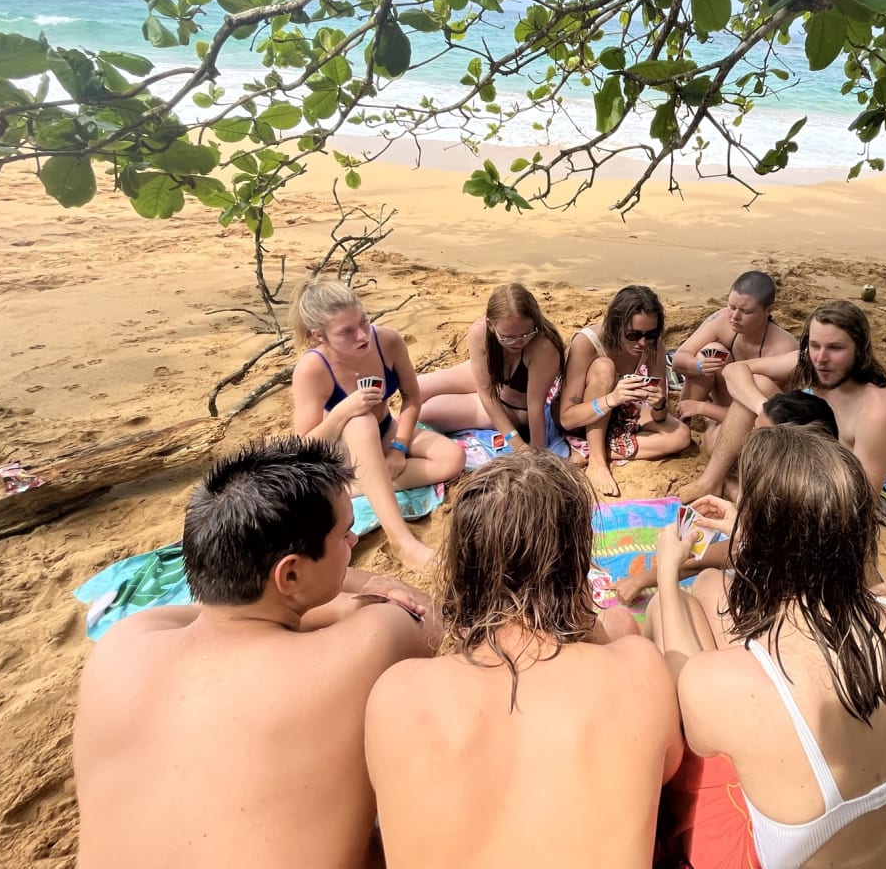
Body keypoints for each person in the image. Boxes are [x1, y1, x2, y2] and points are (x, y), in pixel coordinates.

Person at [74, 436, 436, 869]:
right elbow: (426, 616)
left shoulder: (125, 641)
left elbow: (226, 610)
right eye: (344, 534)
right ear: (291, 573)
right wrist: (358, 585)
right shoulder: (377, 638)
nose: (355, 538)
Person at [366, 449, 684, 868]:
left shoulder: (396, 692)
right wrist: (595, 624)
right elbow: (666, 772)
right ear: (577, 566)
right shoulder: (638, 669)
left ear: (462, 567)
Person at [650, 425, 886, 869]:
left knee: (669, 607)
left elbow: (687, 707)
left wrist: (667, 575)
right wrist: (750, 528)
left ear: (763, 537)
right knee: (714, 587)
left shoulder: (719, 683)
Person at [290, 279, 466, 569]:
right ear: (319, 335)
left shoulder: (387, 341)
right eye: (346, 332)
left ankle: (356, 485)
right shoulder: (312, 369)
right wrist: (341, 411)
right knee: (360, 422)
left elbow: (412, 398)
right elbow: (305, 446)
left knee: (453, 457)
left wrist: (398, 448)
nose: (362, 336)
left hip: (385, 430)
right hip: (340, 450)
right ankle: (401, 540)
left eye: (364, 321)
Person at [610, 391, 840, 605]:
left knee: (706, 584)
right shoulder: (787, 495)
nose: (749, 440)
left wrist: (665, 573)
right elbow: (732, 551)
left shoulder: (797, 516)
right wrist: (642, 579)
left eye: (762, 436)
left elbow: (733, 555)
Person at [678, 299, 886, 504]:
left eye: (835, 348)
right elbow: (734, 370)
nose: (821, 358)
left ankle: (734, 490)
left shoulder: (878, 411)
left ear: (859, 350)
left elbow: (862, 498)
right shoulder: (811, 362)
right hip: (798, 452)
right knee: (752, 388)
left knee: (718, 441)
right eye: (815, 346)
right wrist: (764, 409)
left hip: (828, 482)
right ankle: (711, 480)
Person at [559, 284, 691, 496]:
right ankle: (597, 461)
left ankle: (599, 451)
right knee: (605, 368)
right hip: (585, 414)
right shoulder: (588, 343)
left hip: (621, 412)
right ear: (615, 325)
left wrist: (659, 404)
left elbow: (659, 416)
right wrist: (611, 399)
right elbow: (567, 418)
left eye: (651, 333)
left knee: (681, 436)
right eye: (633, 335)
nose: (642, 343)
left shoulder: (652, 345)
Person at [417, 283, 566, 449]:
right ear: (490, 325)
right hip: (492, 383)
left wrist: (527, 445)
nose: (518, 342)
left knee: (426, 412)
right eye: (508, 337)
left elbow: (535, 406)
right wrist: (516, 443)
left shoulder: (544, 347)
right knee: (418, 388)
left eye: (526, 334)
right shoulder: (480, 332)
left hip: (511, 405)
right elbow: (487, 393)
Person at [672, 271, 798, 431]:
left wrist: (702, 409)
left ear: (769, 310)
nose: (735, 316)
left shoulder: (784, 348)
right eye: (732, 306)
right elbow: (679, 359)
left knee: (759, 381)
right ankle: (681, 422)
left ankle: (709, 423)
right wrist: (698, 365)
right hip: (722, 402)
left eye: (746, 312)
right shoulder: (722, 319)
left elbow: (768, 418)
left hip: (754, 419)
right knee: (711, 352)